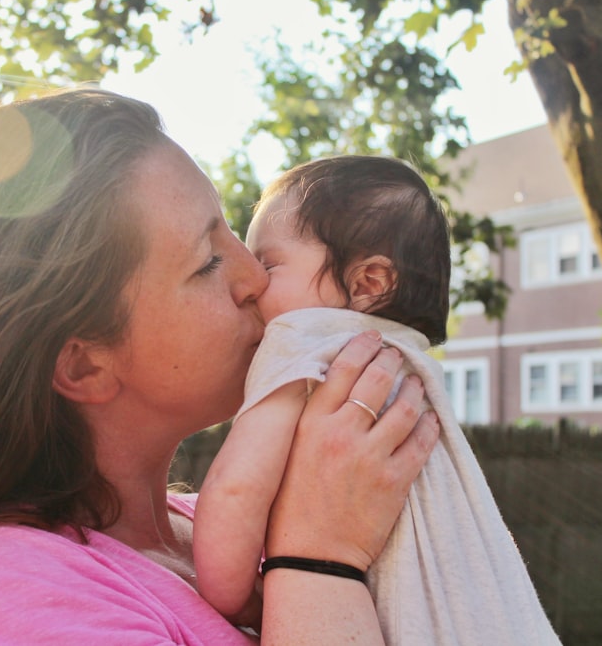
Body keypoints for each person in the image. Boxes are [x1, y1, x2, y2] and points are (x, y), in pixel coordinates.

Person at [0, 88, 441, 645]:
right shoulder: (3, 597)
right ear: (84, 364)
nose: (257, 276)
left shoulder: (203, 525)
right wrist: (322, 559)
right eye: (209, 259)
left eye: (232, 229)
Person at [194, 155, 561, 644]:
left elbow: (235, 489)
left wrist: (238, 596)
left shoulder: (302, 339)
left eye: (269, 263)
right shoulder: (413, 367)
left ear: (367, 283)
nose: (254, 283)